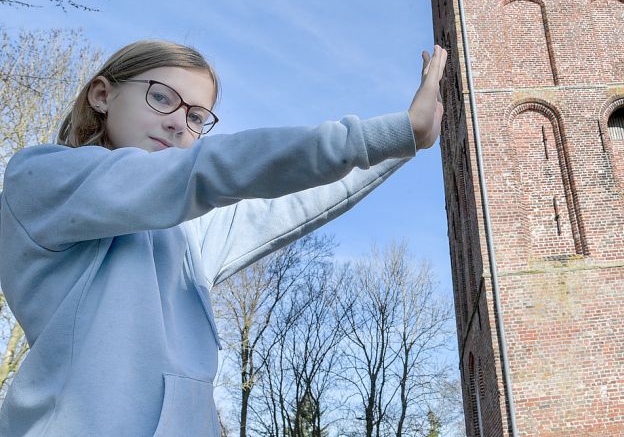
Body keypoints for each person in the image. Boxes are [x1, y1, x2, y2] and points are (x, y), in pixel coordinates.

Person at [0, 39, 446, 436]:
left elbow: (290, 201)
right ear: (103, 94)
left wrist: (402, 142)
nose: (179, 124)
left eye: (196, 117)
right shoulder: (42, 178)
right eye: (161, 98)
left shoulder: (185, 233)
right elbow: (211, 169)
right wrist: (392, 130)